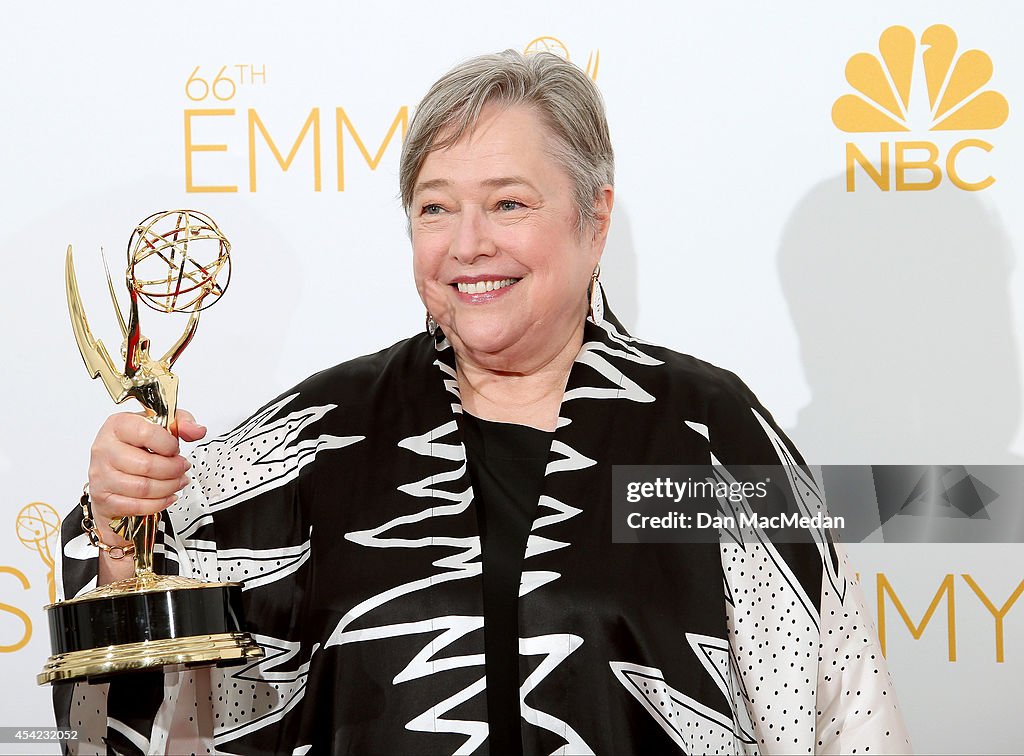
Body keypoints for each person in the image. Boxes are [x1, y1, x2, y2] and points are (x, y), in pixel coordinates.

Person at [57, 50, 911, 755]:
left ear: (595, 217)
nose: (469, 245)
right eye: (436, 208)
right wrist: (119, 529)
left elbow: (837, 712)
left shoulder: (703, 434)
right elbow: (150, 714)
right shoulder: (316, 440)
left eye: (509, 203)